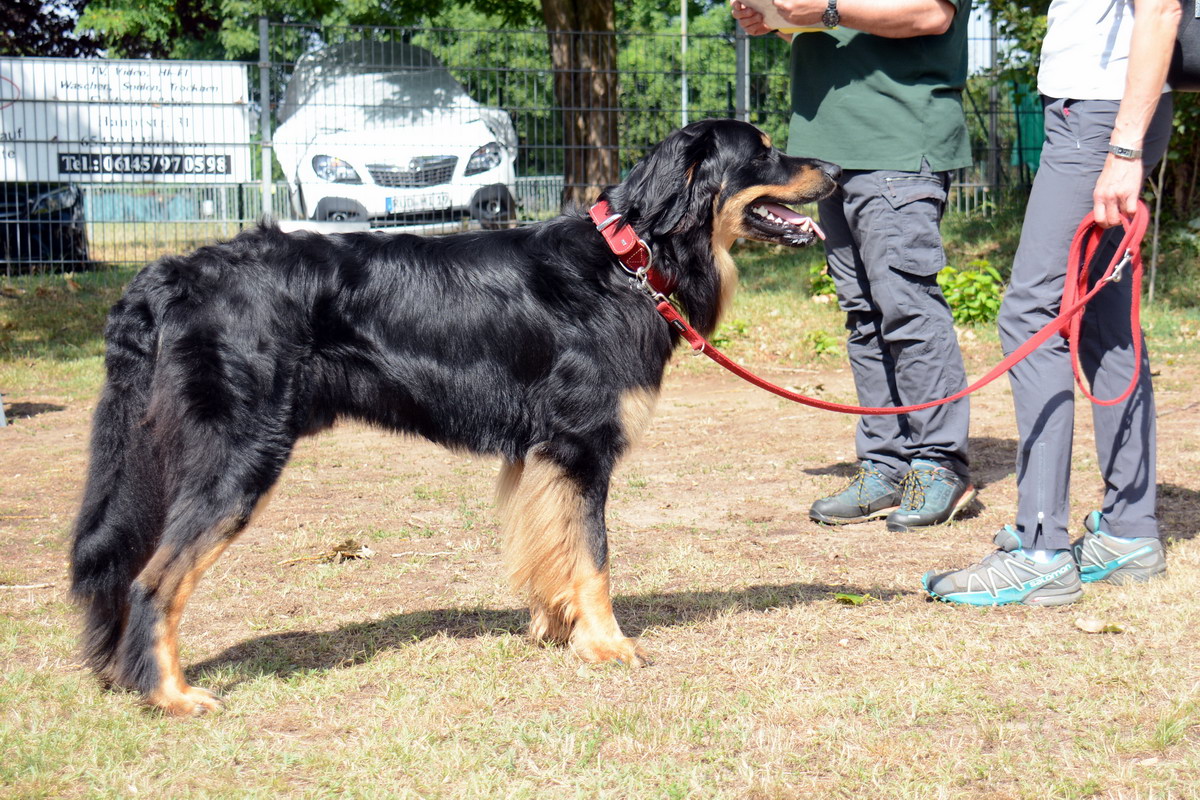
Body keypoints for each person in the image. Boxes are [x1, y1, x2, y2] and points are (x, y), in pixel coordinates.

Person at [924, 0, 1180, 606]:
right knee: (1105, 325)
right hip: (1098, 113)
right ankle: (1128, 533)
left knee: (1032, 315)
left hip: (1101, 116)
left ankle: (1041, 549)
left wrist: (1122, 149)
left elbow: (1162, 10)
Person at [731, 0, 976, 532]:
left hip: (896, 144)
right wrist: (779, 22)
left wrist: (827, 9)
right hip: (831, 151)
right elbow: (837, 39)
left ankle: (939, 464)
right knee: (863, 317)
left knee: (907, 310)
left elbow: (931, 15)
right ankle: (886, 464)